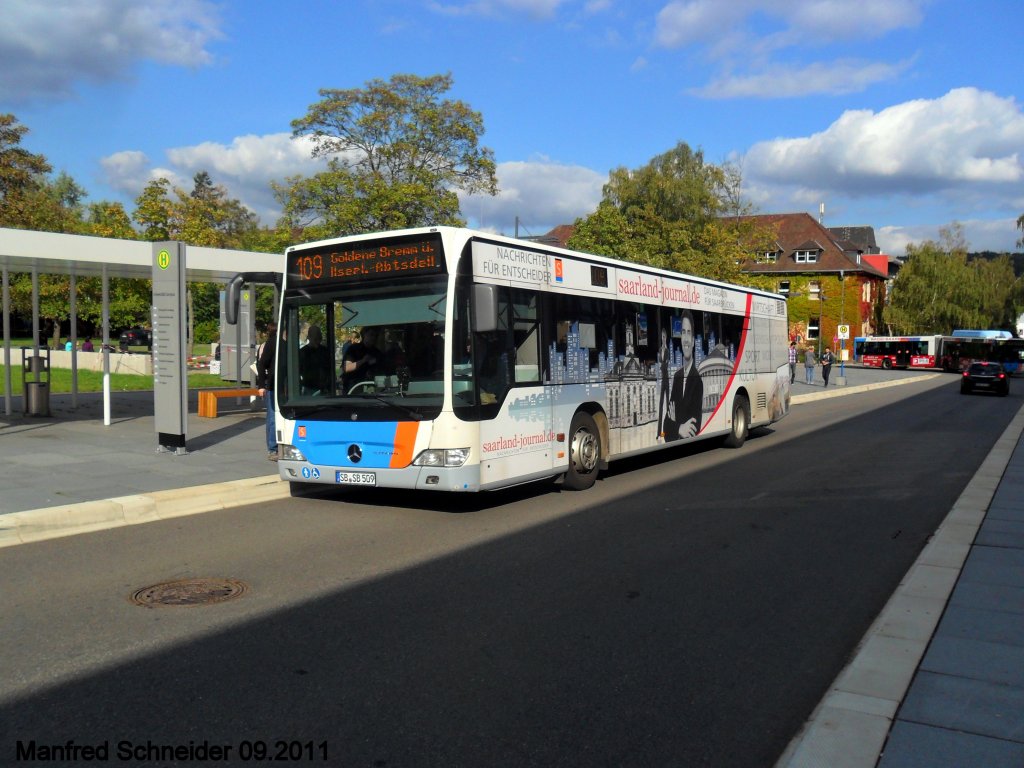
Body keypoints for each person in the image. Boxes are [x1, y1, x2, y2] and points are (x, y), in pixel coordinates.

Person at [666, 310, 703, 441]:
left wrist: (674, 423)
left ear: (693, 341)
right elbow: (666, 425)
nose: (686, 339)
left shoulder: (697, 380)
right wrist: (679, 428)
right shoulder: (677, 377)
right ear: (680, 338)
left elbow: (693, 428)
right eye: (683, 332)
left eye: (689, 333)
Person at [255, 321, 279, 462]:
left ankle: (274, 447)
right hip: (272, 385)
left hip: (276, 385)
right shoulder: (272, 343)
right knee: (273, 417)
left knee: (273, 417)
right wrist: (262, 385)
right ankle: (273, 448)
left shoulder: (279, 342)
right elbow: (262, 363)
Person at [342, 327, 384, 392]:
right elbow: (346, 368)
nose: (374, 338)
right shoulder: (353, 349)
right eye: (371, 335)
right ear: (364, 334)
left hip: (371, 386)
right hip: (354, 387)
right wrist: (363, 361)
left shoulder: (377, 352)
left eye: (376, 336)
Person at [298, 324, 331, 394]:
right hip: (309, 388)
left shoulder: (325, 351)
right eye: (315, 339)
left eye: (319, 338)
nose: (317, 341)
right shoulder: (303, 352)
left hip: (324, 388)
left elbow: (328, 369)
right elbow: (298, 371)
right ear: (309, 337)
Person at [657, 327, 671, 439]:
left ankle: (668, 430)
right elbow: (661, 364)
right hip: (662, 379)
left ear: (666, 338)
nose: (663, 338)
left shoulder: (667, 351)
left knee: (667, 405)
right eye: (662, 337)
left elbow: (665, 364)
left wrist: (663, 365)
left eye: (665, 337)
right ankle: (658, 433)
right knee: (661, 405)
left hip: (666, 379)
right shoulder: (660, 350)